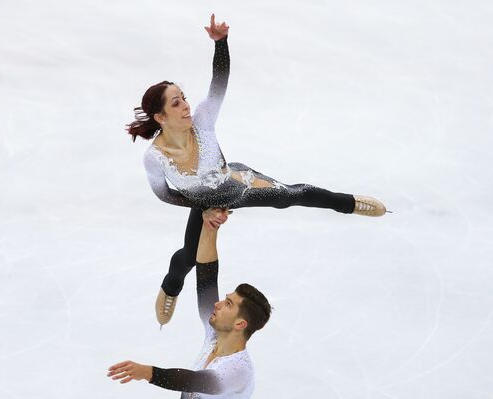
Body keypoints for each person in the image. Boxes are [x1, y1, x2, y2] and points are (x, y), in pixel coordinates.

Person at [126, 14, 387, 325]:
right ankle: (170, 289)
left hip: (235, 183)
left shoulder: (204, 121)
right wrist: (205, 209)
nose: (185, 106)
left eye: (183, 99)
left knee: (291, 195)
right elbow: (165, 195)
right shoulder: (154, 157)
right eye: (175, 104)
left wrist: (220, 44)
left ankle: (350, 203)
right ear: (160, 117)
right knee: (188, 259)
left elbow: (218, 83)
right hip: (201, 202)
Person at [107, 209, 271, 398]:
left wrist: (147, 372)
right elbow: (206, 277)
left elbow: (192, 381)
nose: (217, 304)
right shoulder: (216, 337)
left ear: (240, 324)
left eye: (228, 304)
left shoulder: (237, 370)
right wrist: (211, 227)